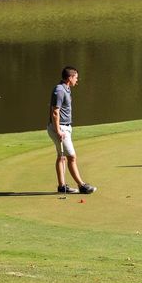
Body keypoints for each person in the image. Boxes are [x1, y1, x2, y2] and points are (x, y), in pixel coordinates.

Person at [47, 66, 96, 195]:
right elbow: (55, 113)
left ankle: (62, 186)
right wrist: (58, 131)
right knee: (72, 157)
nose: (77, 81)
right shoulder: (60, 91)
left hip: (64, 127)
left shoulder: (66, 89)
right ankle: (82, 186)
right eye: (76, 78)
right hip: (60, 128)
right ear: (70, 78)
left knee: (62, 156)